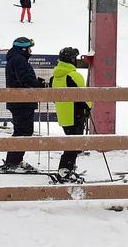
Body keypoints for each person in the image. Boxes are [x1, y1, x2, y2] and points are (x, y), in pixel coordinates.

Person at [0, 37, 44, 172]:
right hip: (22, 102)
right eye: (29, 48)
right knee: (23, 132)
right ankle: (14, 162)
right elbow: (25, 79)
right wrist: (38, 84)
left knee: (20, 131)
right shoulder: (19, 60)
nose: (31, 51)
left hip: (18, 101)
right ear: (24, 49)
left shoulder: (15, 59)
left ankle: (13, 161)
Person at [51, 47, 91, 182]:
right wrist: (88, 108)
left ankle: (67, 168)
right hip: (76, 114)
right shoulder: (74, 75)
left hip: (64, 115)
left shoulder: (55, 77)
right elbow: (83, 96)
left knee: (72, 142)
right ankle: (64, 170)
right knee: (74, 144)